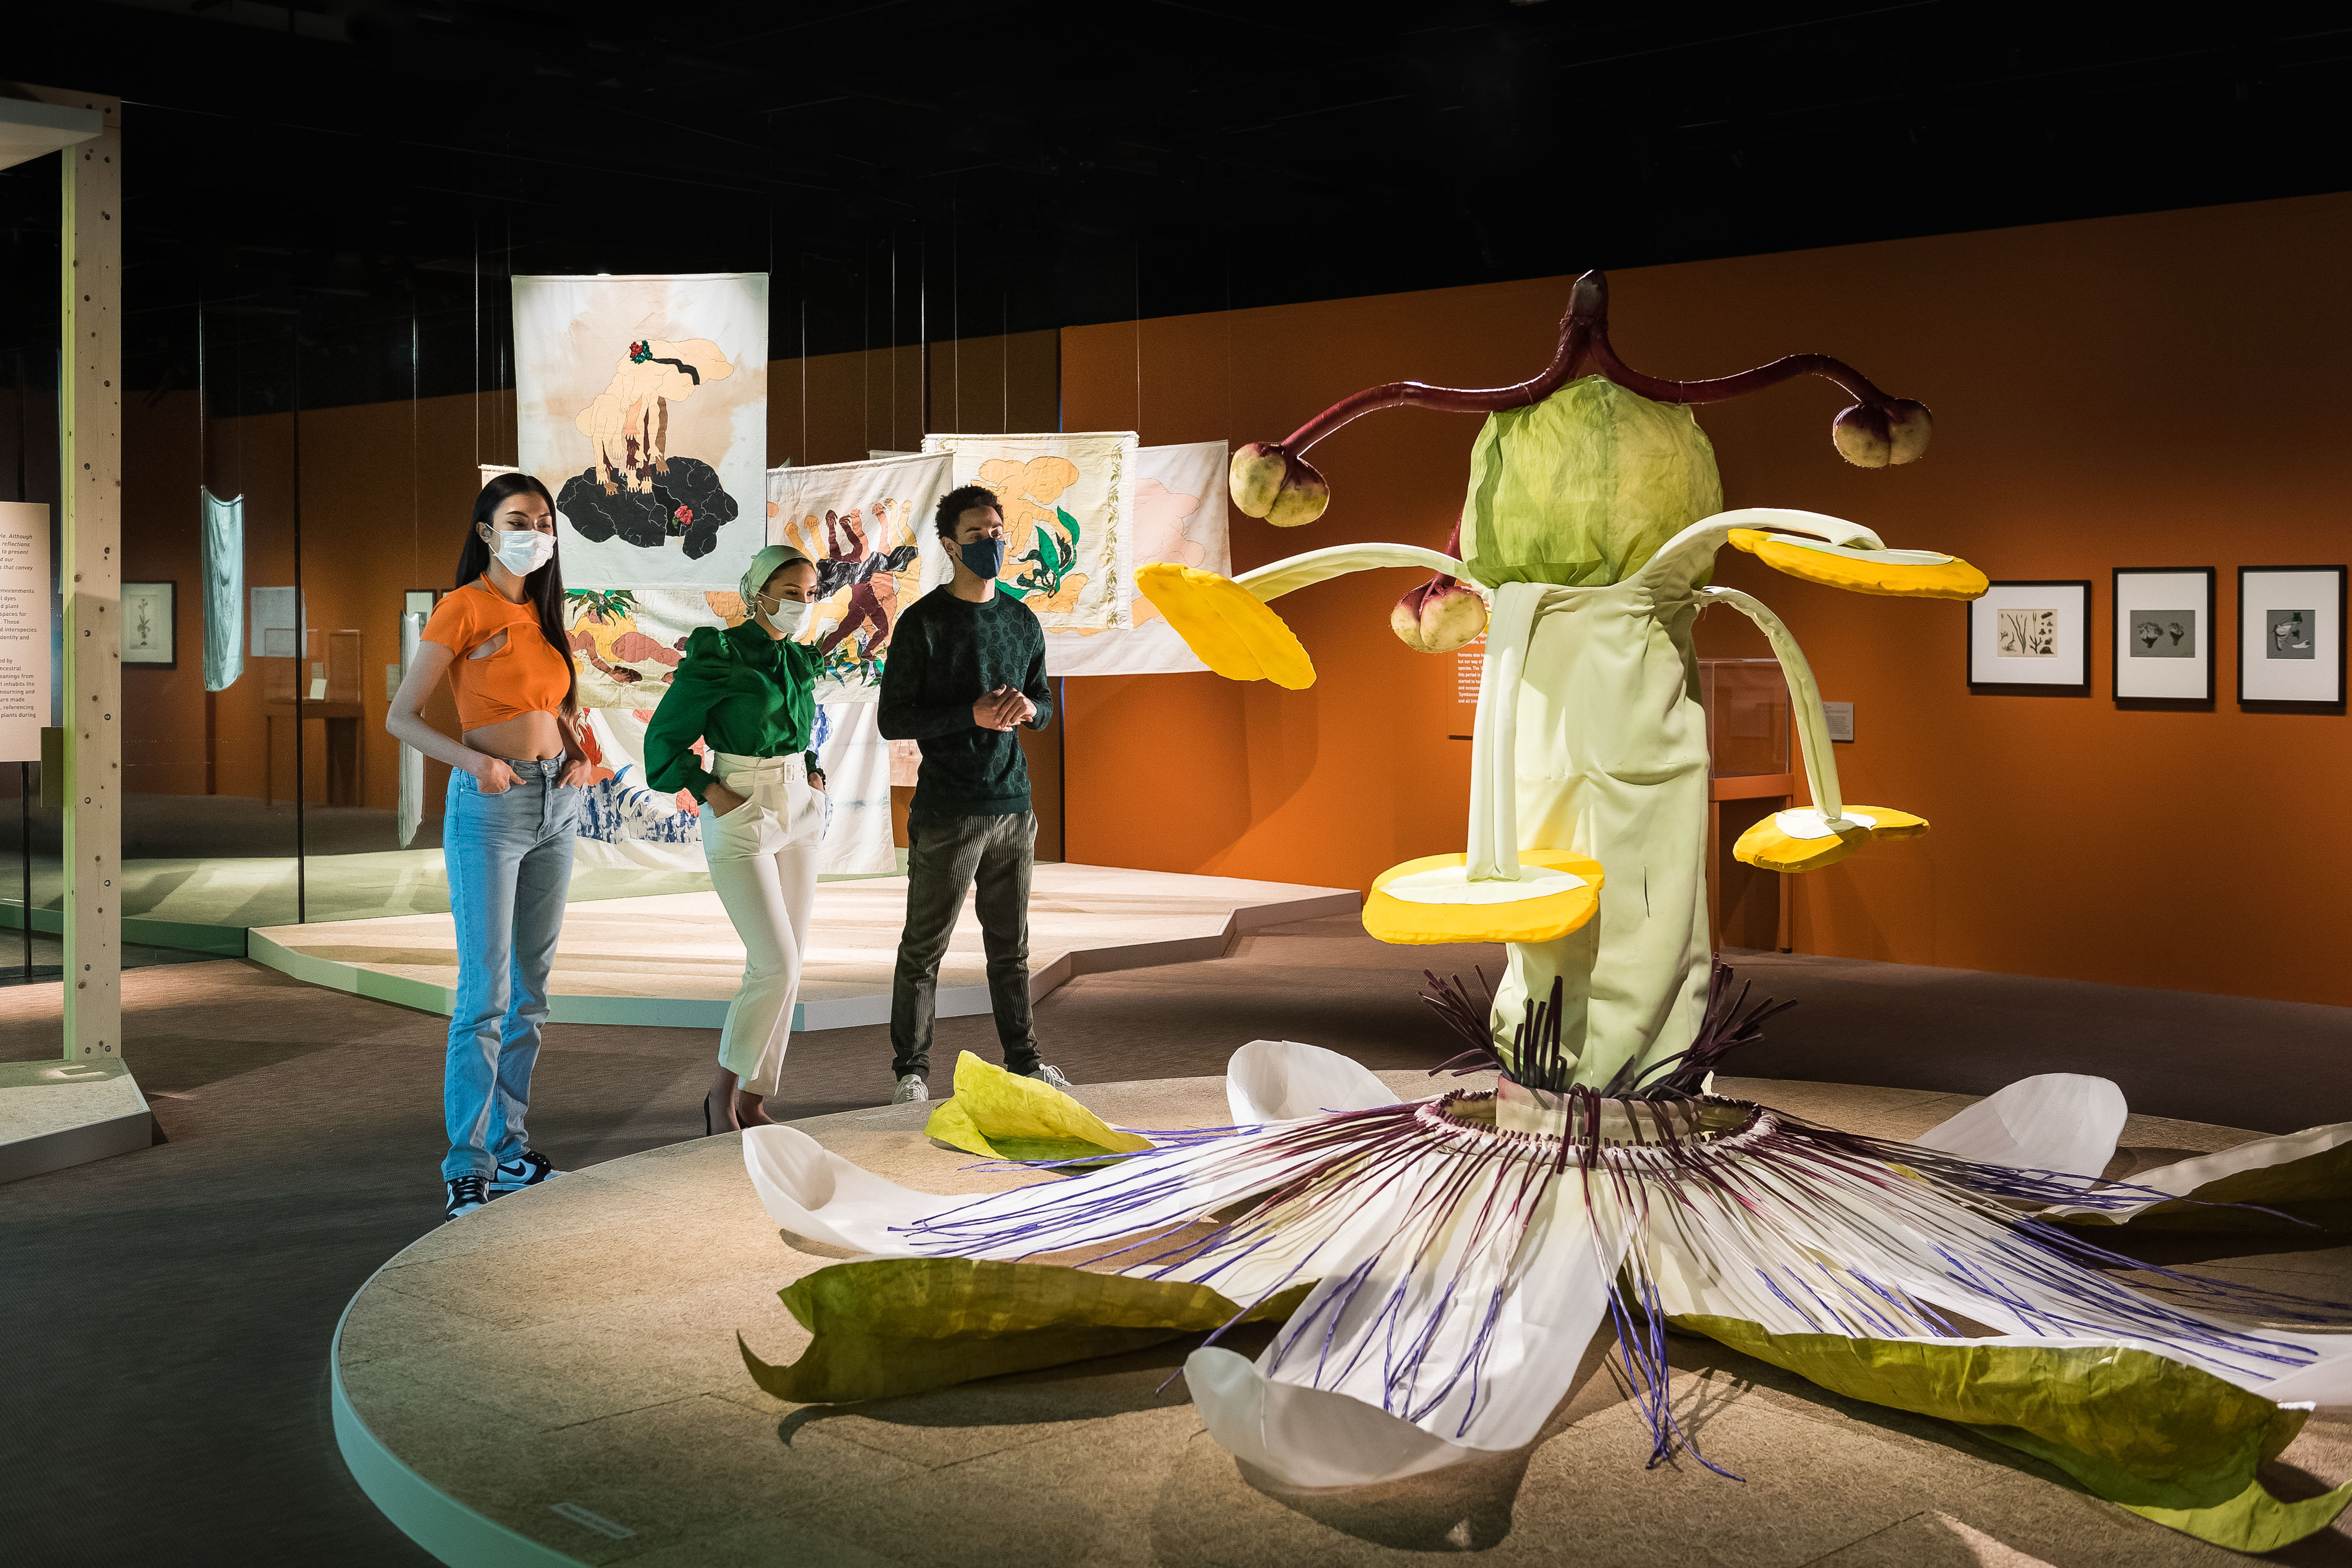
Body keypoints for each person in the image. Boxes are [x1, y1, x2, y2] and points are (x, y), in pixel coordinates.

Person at [386, 474, 594, 1222]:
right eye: (518, 520)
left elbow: (558, 708)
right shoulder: (463, 606)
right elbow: (401, 716)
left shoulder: (542, 611)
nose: (534, 532)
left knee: (530, 997)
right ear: (486, 531)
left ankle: (509, 1153)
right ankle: (466, 1168)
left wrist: (579, 753)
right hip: (491, 808)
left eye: (543, 520)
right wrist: (475, 763)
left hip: (556, 805)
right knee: (486, 997)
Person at [877, 483, 1068, 1104]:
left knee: (1011, 950)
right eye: (977, 535)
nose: (992, 543)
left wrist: (1027, 710)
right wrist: (971, 714)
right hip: (947, 810)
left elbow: (1044, 702)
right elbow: (892, 719)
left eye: (997, 532)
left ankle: (1026, 1062)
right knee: (923, 949)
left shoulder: (1021, 619)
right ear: (949, 546)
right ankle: (911, 1073)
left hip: (1014, 807)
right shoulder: (922, 624)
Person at [643, 544, 830, 1135]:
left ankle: (753, 1098)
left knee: (790, 966)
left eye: (810, 594)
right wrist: (706, 788)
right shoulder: (720, 654)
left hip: (800, 809)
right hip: (742, 807)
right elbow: (662, 741)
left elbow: (795, 730)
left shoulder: (797, 658)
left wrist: (812, 771)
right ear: (758, 593)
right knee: (774, 964)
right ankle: (719, 1096)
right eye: (790, 592)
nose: (801, 604)